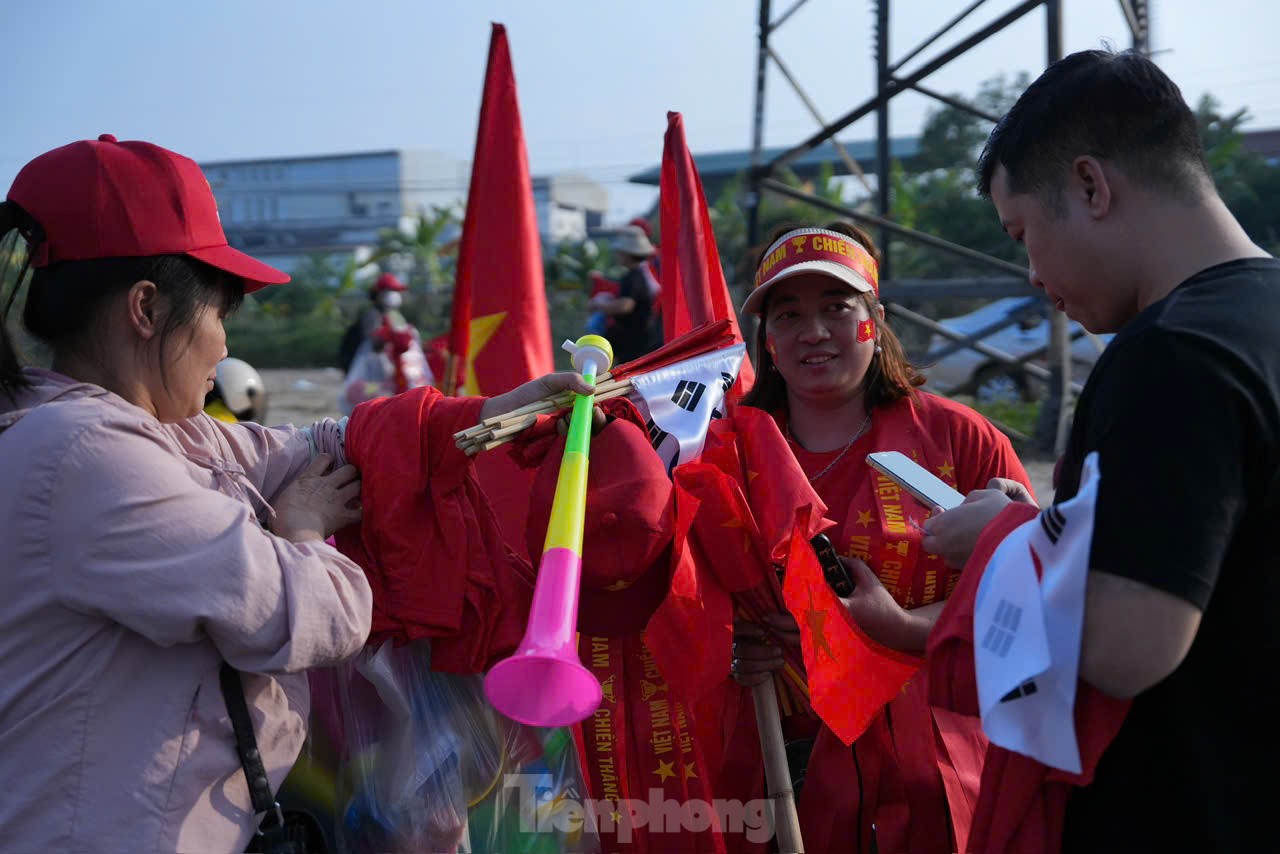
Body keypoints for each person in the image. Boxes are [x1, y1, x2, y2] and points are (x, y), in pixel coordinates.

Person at [0, 135, 595, 852]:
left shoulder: (157, 436)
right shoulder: (84, 455)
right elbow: (318, 612)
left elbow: (310, 445)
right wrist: (303, 529)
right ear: (147, 308)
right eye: (220, 315)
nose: (223, 348)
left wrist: (492, 413)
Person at [921, 49, 1279, 851]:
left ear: (1090, 186)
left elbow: (1126, 646)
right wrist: (1055, 525)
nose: (1033, 274)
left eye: (1024, 234)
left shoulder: (1176, 353)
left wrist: (1004, 540)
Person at [720, 221, 1033, 853]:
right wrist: (729, 651)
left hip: (934, 768)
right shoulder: (728, 453)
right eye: (788, 315)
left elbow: (1029, 599)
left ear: (876, 318)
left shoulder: (961, 440)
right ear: (768, 341)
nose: (812, 332)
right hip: (775, 763)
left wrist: (901, 627)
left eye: (837, 308)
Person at [591, 224, 662, 363]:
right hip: (639, 338)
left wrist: (599, 305)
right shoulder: (642, 273)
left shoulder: (635, 276)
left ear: (627, 253)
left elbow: (625, 305)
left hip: (635, 341)